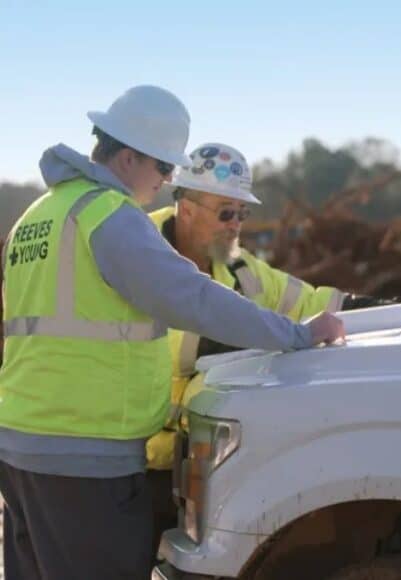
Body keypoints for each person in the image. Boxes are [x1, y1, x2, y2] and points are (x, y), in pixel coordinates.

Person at [0, 85, 344, 580]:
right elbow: (193, 297)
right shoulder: (110, 217)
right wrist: (297, 336)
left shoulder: (38, 216)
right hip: (82, 454)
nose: (165, 183)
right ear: (127, 156)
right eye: (163, 168)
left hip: (21, 444)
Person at [145, 142, 389, 549]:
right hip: (135, 461)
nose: (235, 225)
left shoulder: (238, 267)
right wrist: (252, 336)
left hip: (200, 462)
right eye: (225, 213)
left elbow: (307, 302)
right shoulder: (138, 252)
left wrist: (375, 310)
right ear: (186, 208)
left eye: (243, 213)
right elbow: (165, 343)